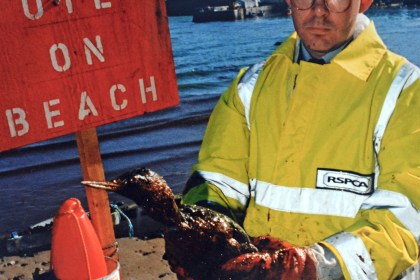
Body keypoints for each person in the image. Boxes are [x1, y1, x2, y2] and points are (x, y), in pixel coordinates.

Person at [179, 0, 420, 278]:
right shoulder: (250, 86)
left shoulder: (405, 90)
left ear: (363, 3)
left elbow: (407, 216)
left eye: (336, 0)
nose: (319, 11)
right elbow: (217, 179)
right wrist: (201, 235)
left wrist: (316, 268)